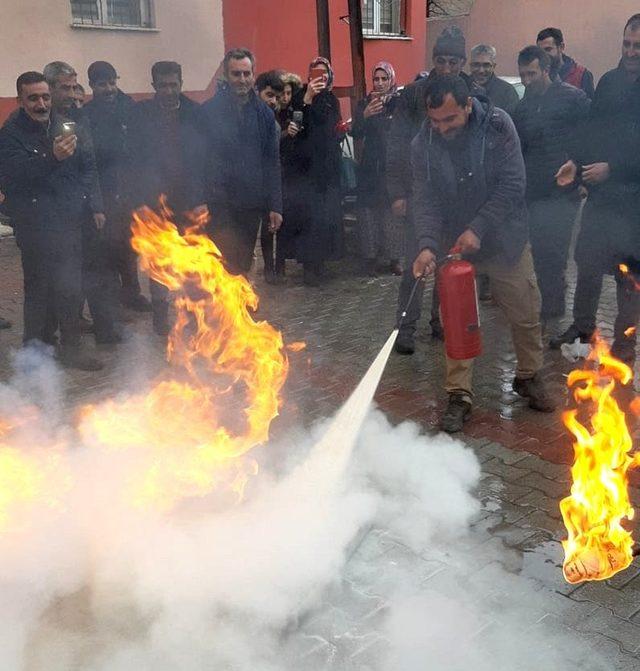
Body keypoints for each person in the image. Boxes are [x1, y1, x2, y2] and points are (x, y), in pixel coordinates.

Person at [411, 76, 554, 432]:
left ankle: (528, 375)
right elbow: (424, 198)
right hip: (454, 244)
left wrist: (479, 227)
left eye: (449, 119)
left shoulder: (498, 125)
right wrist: (427, 245)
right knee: (456, 321)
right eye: (435, 121)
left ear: (468, 106)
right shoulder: (423, 143)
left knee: (525, 310)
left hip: (505, 238)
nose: (442, 128)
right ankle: (459, 395)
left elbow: (513, 184)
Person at [551, 14, 640, 366]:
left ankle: (624, 346)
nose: (631, 52)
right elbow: (593, 131)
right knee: (586, 265)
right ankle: (582, 330)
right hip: (603, 202)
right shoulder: (609, 82)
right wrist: (576, 161)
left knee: (629, 279)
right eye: (627, 44)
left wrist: (613, 170)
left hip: (634, 207)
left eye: (638, 47)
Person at [0, 72, 103, 370]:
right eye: (33, 98)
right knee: (39, 290)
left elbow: (87, 166)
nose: (41, 103)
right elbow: (14, 177)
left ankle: (71, 349)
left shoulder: (67, 124)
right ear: (20, 100)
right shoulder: (10, 135)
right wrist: (51, 157)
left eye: (45, 96)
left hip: (69, 221)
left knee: (70, 288)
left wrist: (91, 204)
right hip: (34, 225)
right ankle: (36, 352)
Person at [388, 26, 478, 353]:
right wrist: (397, 192)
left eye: (454, 62)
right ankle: (405, 328)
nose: (447, 68)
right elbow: (396, 145)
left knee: (448, 266)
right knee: (416, 264)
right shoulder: (413, 94)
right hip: (419, 195)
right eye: (441, 61)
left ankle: (440, 322)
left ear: (462, 63)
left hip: (456, 200)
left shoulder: (471, 95)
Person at [43, 61, 120, 347]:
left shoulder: (79, 118)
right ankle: (67, 340)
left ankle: (106, 330)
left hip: (85, 210)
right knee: (66, 281)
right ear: (50, 88)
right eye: (65, 88)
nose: (72, 94)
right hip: (57, 215)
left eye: (75, 87)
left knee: (98, 272)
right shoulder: (42, 121)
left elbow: (90, 165)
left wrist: (97, 206)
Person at [512, 46, 589, 326]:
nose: (527, 80)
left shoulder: (574, 99)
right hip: (533, 192)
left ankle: (553, 310)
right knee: (540, 253)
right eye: (523, 75)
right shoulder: (523, 108)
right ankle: (549, 304)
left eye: (532, 73)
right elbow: (518, 149)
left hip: (562, 192)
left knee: (555, 252)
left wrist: (580, 174)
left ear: (546, 70)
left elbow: (589, 139)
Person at [136, 60, 207, 335]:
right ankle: (160, 316)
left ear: (181, 83)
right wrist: (141, 202)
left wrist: (201, 198)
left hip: (189, 201)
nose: (169, 90)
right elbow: (134, 162)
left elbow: (203, 160)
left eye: (173, 84)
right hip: (154, 203)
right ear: (154, 86)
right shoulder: (141, 115)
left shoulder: (195, 113)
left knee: (191, 260)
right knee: (161, 262)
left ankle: (190, 313)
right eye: (163, 85)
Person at [201, 48, 282, 279]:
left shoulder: (264, 114)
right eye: (236, 74)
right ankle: (219, 313)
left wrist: (275, 206)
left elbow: (271, 162)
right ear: (226, 76)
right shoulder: (208, 112)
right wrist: (199, 199)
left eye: (247, 74)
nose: (242, 80)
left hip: (250, 203)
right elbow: (198, 160)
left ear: (253, 75)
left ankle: (238, 312)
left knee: (243, 262)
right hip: (218, 203)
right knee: (221, 262)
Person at [84, 61, 151, 316]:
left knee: (129, 245)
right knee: (109, 247)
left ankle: (132, 293)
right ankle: (113, 302)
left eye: (112, 82)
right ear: (92, 85)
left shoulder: (130, 109)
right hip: (105, 192)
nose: (109, 89)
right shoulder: (87, 115)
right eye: (102, 84)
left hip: (130, 190)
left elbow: (142, 149)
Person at [289, 56, 343, 286]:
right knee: (309, 219)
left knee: (326, 218)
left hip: (328, 166)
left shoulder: (332, 99)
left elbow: (333, 126)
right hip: (307, 167)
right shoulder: (301, 97)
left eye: (324, 74)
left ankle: (321, 264)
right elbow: (297, 126)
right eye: (315, 74)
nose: (320, 78)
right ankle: (308, 268)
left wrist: (341, 130)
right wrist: (308, 99)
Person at [351, 61, 403, 277]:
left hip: (392, 167)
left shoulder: (398, 103)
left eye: (384, 78)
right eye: (376, 79)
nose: (379, 83)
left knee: (391, 214)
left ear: (391, 79)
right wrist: (365, 116)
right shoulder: (365, 103)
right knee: (369, 215)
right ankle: (370, 259)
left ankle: (395, 259)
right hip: (370, 167)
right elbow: (355, 133)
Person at [256, 70, 285, 283]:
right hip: (245, 185)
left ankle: (269, 268)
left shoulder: (273, 122)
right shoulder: (251, 118)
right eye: (269, 95)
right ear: (258, 93)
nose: (273, 101)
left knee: (268, 228)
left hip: (266, 184)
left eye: (276, 96)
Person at [276, 72, 303, 280]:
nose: (285, 97)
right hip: (280, 172)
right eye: (282, 93)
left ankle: (296, 258)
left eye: (288, 93)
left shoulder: (296, 112)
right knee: (280, 223)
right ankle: (279, 264)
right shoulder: (274, 114)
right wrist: (286, 134)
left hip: (296, 171)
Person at [536, 27, 595, 99]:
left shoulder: (581, 75)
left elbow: (591, 108)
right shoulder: (536, 76)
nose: (544, 55)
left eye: (548, 49)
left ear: (561, 47)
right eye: (540, 51)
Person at [469, 44, 520, 116]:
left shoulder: (507, 92)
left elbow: (511, 123)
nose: (481, 70)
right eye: (476, 65)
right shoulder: (462, 87)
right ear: (470, 66)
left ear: (493, 66)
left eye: (486, 65)